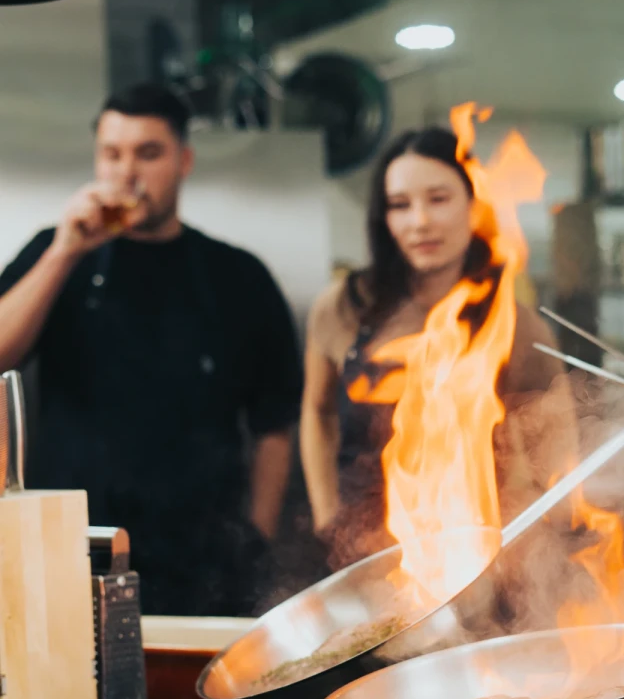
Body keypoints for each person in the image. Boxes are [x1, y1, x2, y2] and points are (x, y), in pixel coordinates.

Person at [0, 83, 302, 616]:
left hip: (205, 560)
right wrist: (64, 252)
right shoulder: (57, 252)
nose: (126, 173)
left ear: (183, 160)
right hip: (74, 551)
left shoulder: (238, 275)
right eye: (112, 154)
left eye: (148, 153)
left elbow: (274, 424)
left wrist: (255, 536)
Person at [300, 126, 573, 567]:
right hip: (362, 556)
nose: (420, 221)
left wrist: (528, 543)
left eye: (439, 198)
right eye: (400, 205)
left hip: (478, 562)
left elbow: (558, 451)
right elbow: (317, 412)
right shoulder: (342, 308)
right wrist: (325, 514)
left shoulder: (517, 325)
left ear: (473, 204)